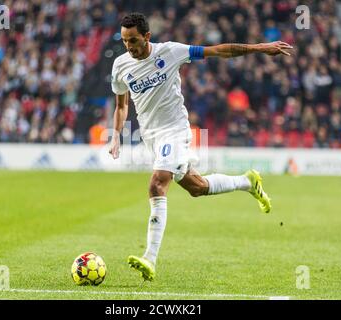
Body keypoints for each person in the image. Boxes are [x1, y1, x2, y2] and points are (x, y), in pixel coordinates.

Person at [109, 13, 292, 281]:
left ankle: (149, 258)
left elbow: (218, 51)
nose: (129, 47)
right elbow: (121, 105)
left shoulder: (171, 52)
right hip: (152, 137)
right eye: (125, 41)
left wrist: (259, 48)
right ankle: (247, 182)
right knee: (197, 188)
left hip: (175, 131)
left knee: (156, 184)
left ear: (147, 36)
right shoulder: (120, 65)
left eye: (133, 40)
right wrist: (116, 135)